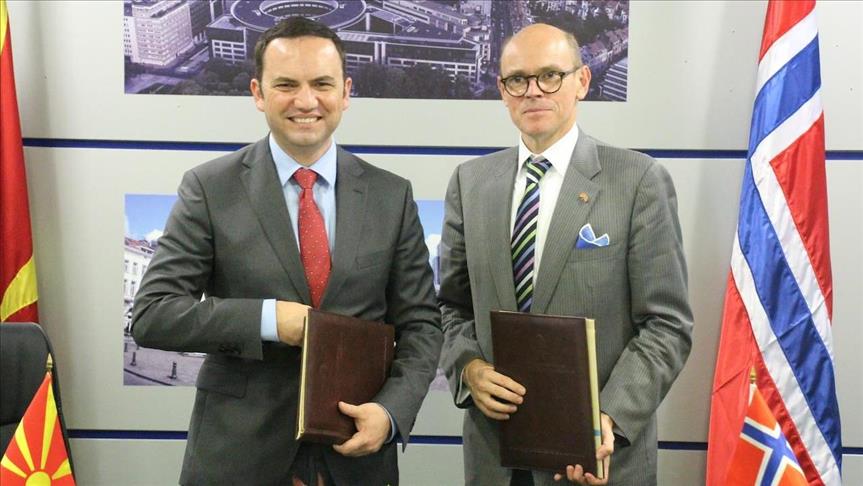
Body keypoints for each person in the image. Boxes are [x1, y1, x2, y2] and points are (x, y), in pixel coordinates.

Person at [132, 17, 442, 486]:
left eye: (322, 84)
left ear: (346, 92)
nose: (306, 100)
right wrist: (270, 319)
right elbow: (153, 314)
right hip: (238, 457)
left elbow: (421, 326)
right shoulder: (209, 188)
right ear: (258, 93)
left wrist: (390, 412)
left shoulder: (391, 196)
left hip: (356, 460)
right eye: (286, 85)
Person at [438, 23, 693, 486]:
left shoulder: (638, 181)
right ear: (502, 90)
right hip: (495, 459)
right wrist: (468, 369)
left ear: (582, 81)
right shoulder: (469, 183)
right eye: (518, 79)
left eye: (550, 75)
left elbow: (667, 325)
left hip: (600, 457)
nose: (534, 91)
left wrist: (607, 418)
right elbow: (450, 307)